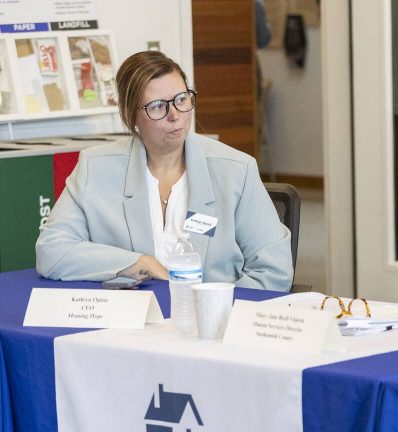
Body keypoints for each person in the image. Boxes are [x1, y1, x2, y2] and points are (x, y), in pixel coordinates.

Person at [36, 50, 293, 291]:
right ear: (130, 116)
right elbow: (51, 251)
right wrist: (139, 263)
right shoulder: (95, 168)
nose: (175, 115)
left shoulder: (236, 171)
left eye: (182, 99)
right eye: (158, 106)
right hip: (131, 317)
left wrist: (213, 308)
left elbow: (274, 270)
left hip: (213, 318)